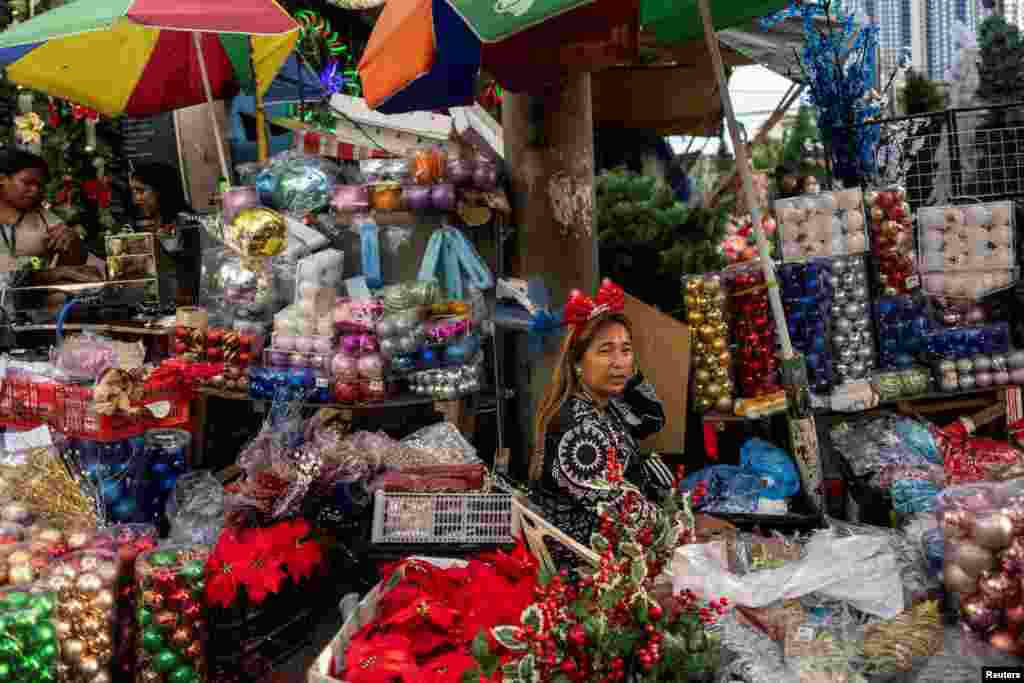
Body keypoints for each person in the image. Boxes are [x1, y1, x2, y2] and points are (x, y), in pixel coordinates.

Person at [532, 278, 734, 541]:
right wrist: (687, 525)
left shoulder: (608, 407)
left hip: (624, 547)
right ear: (577, 363)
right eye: (605, 351)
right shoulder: (575, 428)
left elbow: (652, 419)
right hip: (590, 564)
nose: (618, 362)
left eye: (626, 350)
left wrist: (628, 375)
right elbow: (620, 512)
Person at [0, 149, 88, 274]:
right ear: (2, 179)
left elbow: (76, 262)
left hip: (31, 291)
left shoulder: (42, 217)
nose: (35, 190)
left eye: (40, 185)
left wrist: (73, 243)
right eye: (27, 183)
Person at [129, 162, 199, 306]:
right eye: (134, 192)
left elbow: (187, 270)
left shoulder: (184, 221)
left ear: (161, 190)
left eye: (141, 191)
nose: (136, 200)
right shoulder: (162, 220)